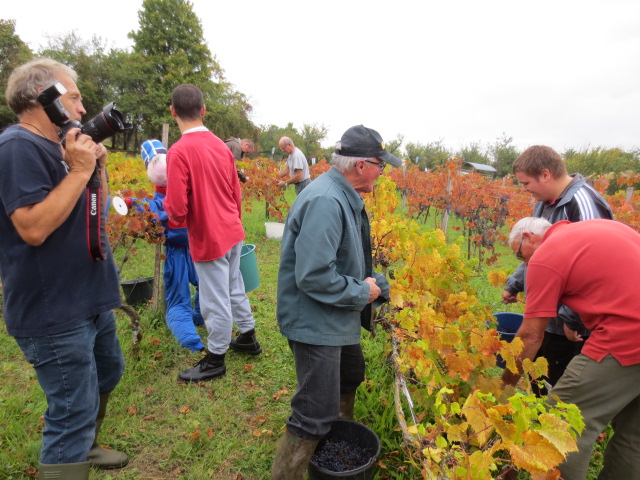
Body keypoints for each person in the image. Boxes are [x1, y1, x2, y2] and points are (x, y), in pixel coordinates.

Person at [0, 58, 127, 478]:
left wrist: (96, 168)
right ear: (45, 99)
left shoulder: (60, 146)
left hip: (87, 294)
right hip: (53, 307)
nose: (81, 106)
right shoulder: (17, 147)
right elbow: (33, 228)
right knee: (71, 408)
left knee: (108, 371)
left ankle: (84, 447)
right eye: (73, 97)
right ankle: (70, 452)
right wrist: (78, 168)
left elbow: (97, 211)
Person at [272, 125, 401, 479]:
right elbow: (314, 275)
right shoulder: (327, 201)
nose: (382, 172)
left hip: (335, 314)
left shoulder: (343, 195)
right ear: (361, 165)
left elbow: (349, 261)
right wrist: (364, 293)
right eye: (381, 165)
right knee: (312, 412)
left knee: (349, 376)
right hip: (315, 323)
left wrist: (384, 288)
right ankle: (292, 469)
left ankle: (333, 447)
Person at [502, 217, 640, 480]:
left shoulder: (545, 256)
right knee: (634, 437)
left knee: (560, 424)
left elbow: (531, 335)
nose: (525, 263)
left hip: (626, 336)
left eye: (520, 254)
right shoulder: (597, 227)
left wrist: (507, 384)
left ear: (529, 237)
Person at [164, 84, 261, 384]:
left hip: (209, 235)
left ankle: (216, 358)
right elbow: (236, 192)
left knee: (213, 297)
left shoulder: (178, 151)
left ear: (173, 112)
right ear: (203, 110)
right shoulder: (222, 145)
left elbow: (177, 209)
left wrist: (168, 211)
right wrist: (233, 221)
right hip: (233, 229)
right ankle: (248, 336)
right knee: (234, 286)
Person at [501, 145, 613, 392]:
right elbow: (535, 249)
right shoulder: (544, 202)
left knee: (560, 380)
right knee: (540, 371)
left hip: (571, 320)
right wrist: (516, 283)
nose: (524, 190)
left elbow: (595, 269)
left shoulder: (582, 204)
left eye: (526, 183)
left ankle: (553, 424)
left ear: (545, 174)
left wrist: (571, 319)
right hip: (549, 312)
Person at [125, 139, 205, 352]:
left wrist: (133, 203)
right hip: (197, 245)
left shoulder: (162, 197)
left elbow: (155, 209)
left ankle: (191, 334)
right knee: (206, 286)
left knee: (178, 299)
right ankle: (200, 320)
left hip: (178, 250)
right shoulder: (188, 185)